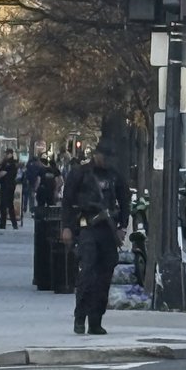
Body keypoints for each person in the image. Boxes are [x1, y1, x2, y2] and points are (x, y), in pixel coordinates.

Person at [60, 139, 129, 335]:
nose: (106, 161)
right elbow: (67, 202)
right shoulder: (80, 173)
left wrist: (122, 226)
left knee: (104, 277)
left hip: (108, 231)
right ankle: (80, 317)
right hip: (87, 228)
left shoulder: (115, 176)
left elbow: (125, 201)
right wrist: (66, 227)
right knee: (87, 274)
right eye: (104, 157)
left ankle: (96, 320)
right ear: (96, 155)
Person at [0, 149, 19, 229]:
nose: (6, 155)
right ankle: (6, 223)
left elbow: (3, 173)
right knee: (4, 205)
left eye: (7, 154)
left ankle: (10, 223)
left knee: (7, 205)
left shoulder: (11, 163)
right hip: (4, 185)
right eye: (6, 153)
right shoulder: (4, 162)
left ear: (11, 154)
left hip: (8, 185)